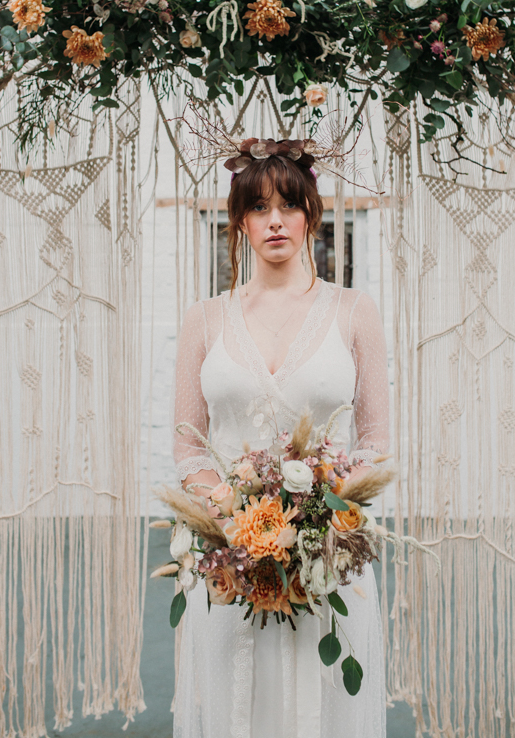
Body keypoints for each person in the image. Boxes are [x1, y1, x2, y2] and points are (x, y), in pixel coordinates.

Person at [171, 138, 390, 738]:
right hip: (229, 561)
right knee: (235, 705)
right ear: (238, 221)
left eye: (289, 206)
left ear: (310, 215)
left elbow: (374, 441)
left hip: (328, 557)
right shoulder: (205, 318)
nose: (275, 221)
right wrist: (238, 521)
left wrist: (320, 514)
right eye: (259, 207)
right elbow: (189, 446)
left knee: (324, 706)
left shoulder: (354, 311)